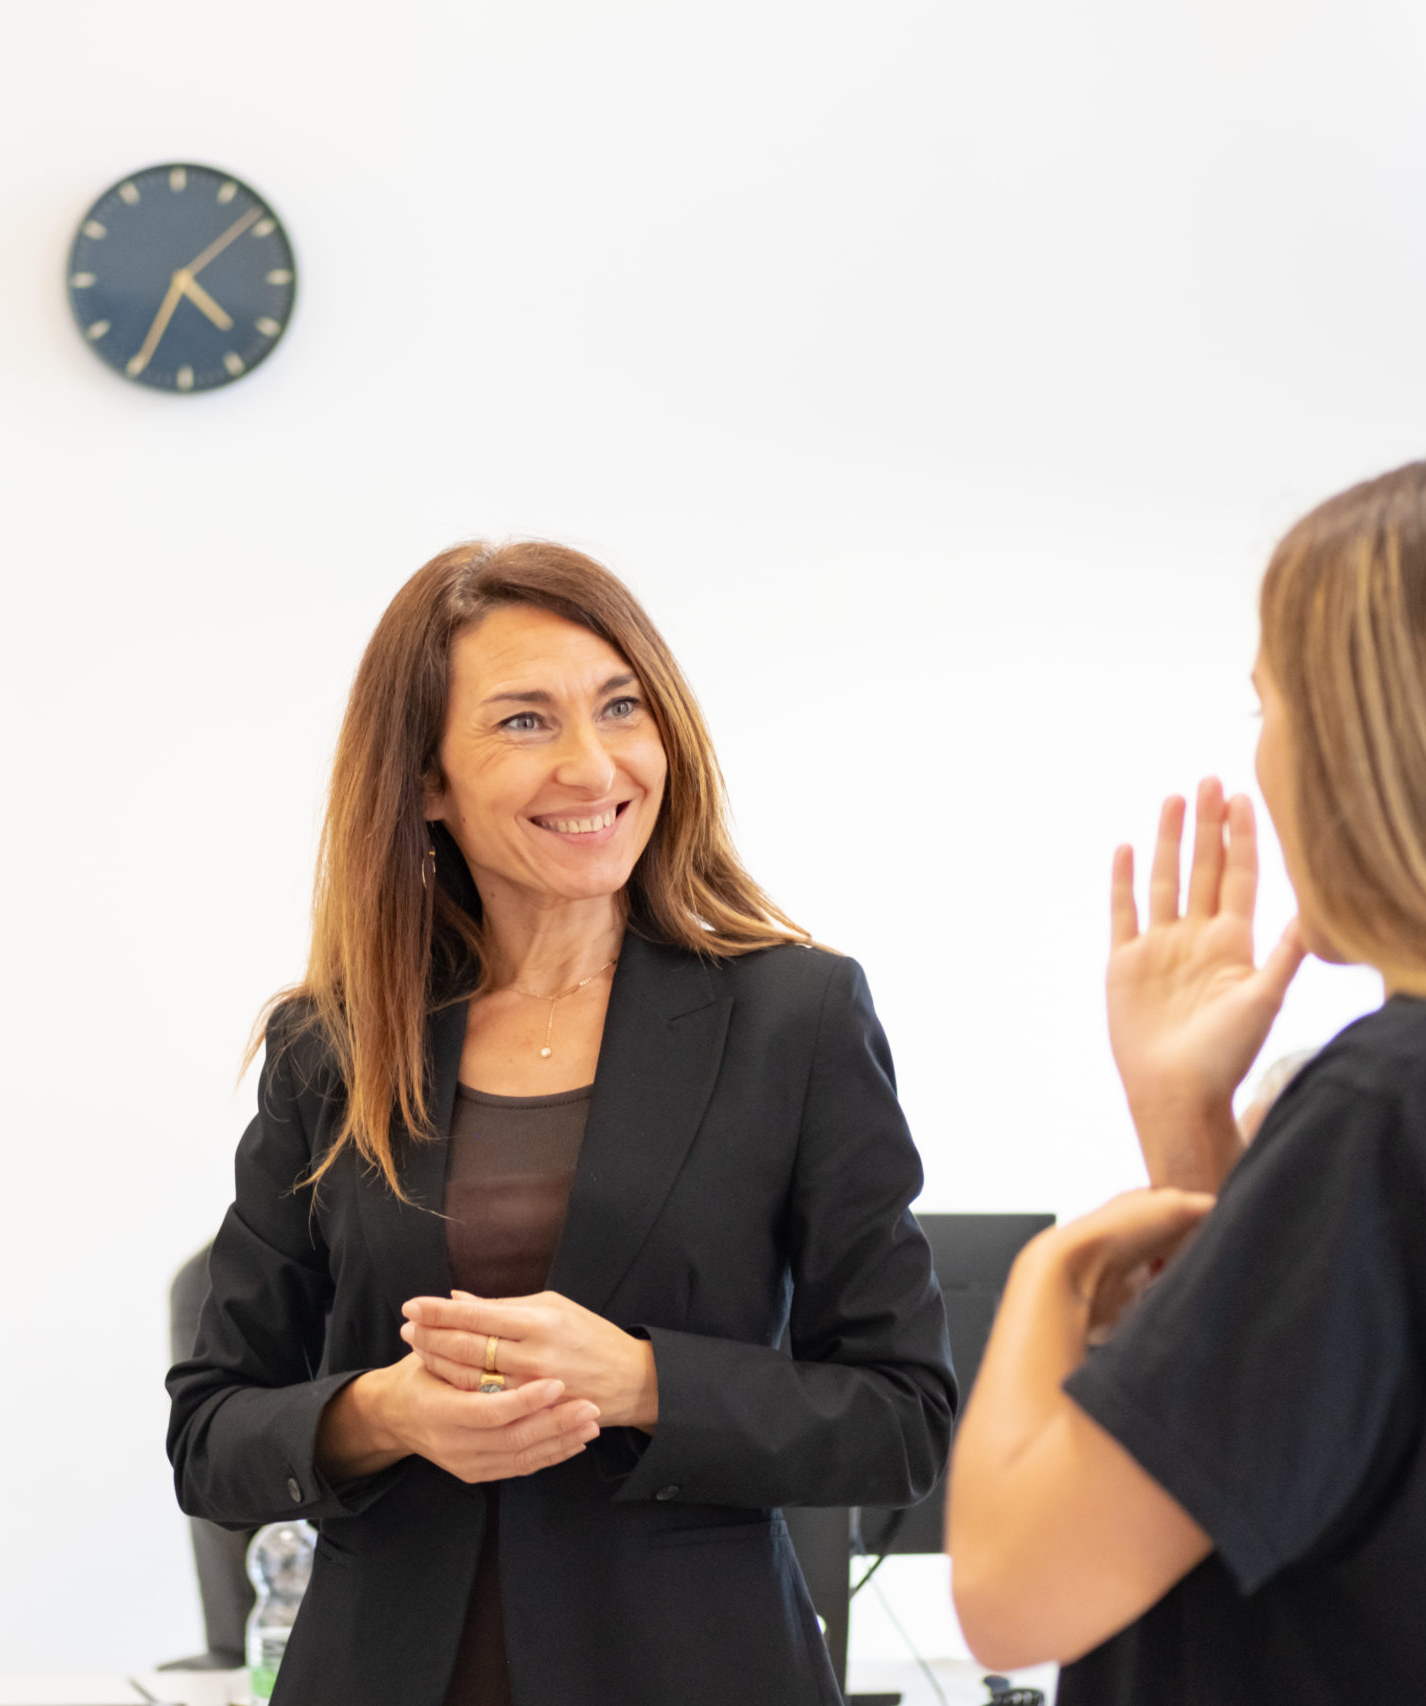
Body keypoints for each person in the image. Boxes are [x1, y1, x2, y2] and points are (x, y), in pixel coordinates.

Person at [946, 456, 1426, 1701]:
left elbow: (1010, 1586)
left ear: (1386, 750)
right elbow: (1354, 1463)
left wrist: (1053, 1275)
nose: (1260, 759)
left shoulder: (1404, 1106)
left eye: (1268, 706)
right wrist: (1185, 1125)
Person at [167, 541, 955, 1706]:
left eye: (621, 707)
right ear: (425, 779)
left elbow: (902, 1417)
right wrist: (383, 1409)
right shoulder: (333, 1043)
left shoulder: (796, 1015)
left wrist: (640, 1380)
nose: (593, 765)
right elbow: (213, 1432)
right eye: (524, 722)